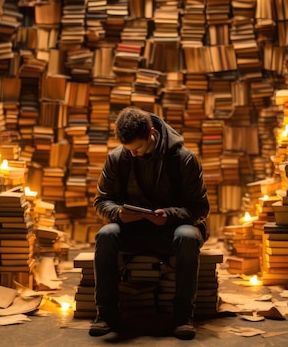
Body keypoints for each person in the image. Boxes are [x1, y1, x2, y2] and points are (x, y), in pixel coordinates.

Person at [90, 106, 210, 340]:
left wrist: (170, 214)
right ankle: (105, 315)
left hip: (173, 229)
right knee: (106, 234)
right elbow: (102, 201)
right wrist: (117, 214)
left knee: (188, 237)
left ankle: (183, 316)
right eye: (129, 149)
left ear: (151, 133)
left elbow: (200, 209)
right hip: (131, 228)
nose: (134, 154)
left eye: (139, 148)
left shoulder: (183, 159)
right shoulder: (118, 158)